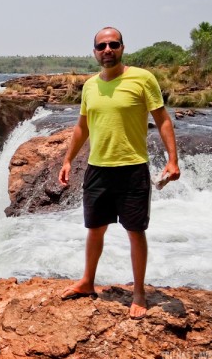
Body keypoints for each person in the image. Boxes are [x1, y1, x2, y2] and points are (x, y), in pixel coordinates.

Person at [58, 26, 180, 320]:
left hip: (132, 169)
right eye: (102, 46)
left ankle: (139, 292)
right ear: (95, 52)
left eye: (113, 44)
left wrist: (173, 160)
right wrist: (67, 160)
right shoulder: (89, 86)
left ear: (122, 47)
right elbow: (82, 126)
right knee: (95, 229)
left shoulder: (142, 79)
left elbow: (162, 119)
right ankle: (87, 281)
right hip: (97, 169)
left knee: (135, 231)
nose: (107, 50)